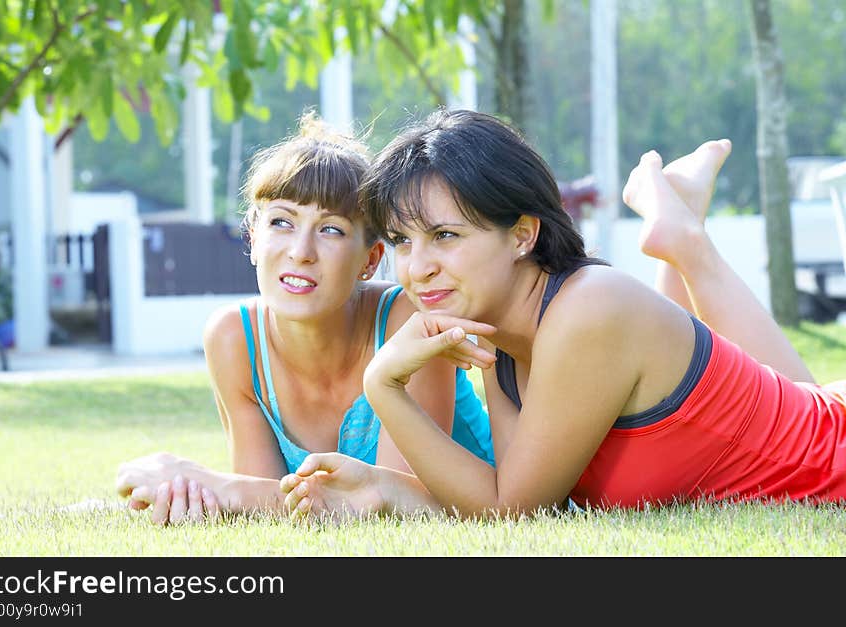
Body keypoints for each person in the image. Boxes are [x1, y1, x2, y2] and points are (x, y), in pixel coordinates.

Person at [279, 108, 846, 519]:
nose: (416, 267)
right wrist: (384, 487)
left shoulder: (588, 309)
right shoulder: (502, 342)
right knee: (800, 402)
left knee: (809, 411)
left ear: (523, 234)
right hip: (812, 418)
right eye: (402, 240)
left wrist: (384, 386)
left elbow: (510, 512)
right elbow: (512, 493)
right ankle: (680, 236)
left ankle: (684, 239)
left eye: (444, 236)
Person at [115, 112, 494, 524]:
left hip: (490, 503)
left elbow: (392, 504)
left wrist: (218, 485)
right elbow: (273, 508)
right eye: (281, 222)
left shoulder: (409, 318)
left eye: (331, 230)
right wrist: (195, 491)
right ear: (253, 238)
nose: (300, 251)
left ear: (370, 260)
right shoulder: (235, 339)